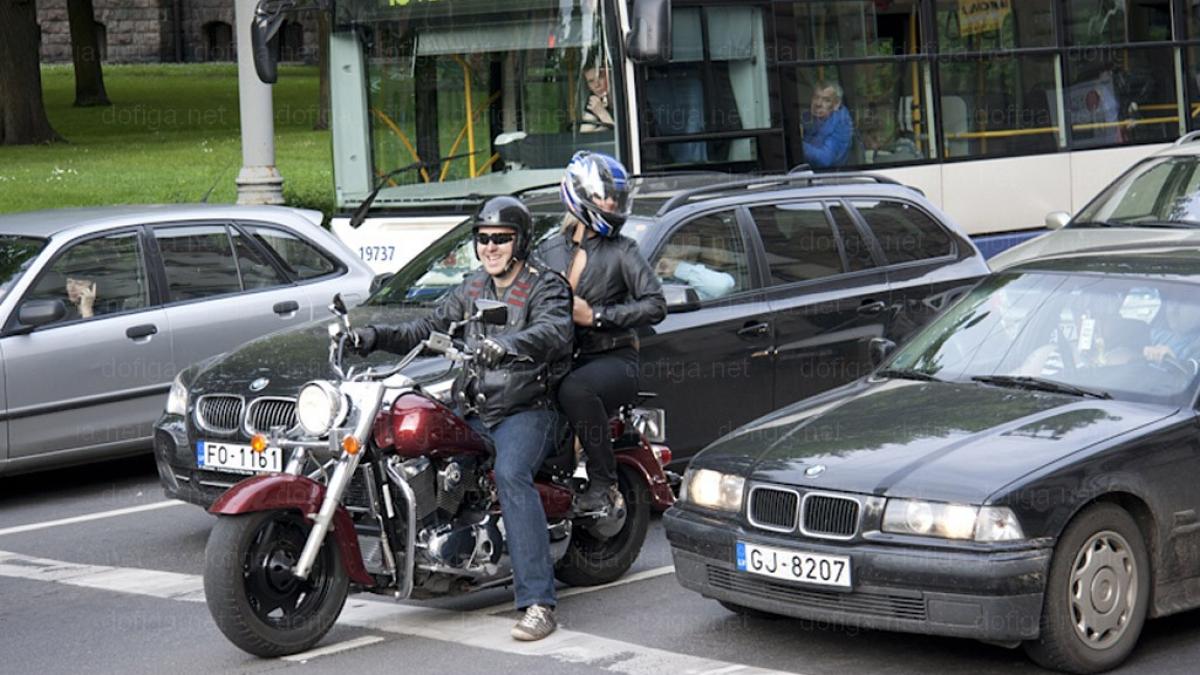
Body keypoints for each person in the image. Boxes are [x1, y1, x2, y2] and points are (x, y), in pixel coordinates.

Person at [352, 196, 573, 642]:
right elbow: (424, 329)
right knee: (396, 440)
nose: (490, 247)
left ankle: (538, 603)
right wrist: (372, 335)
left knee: (511, 475)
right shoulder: (472, 287)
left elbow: (555, 331)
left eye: (501, 239)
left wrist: (511, 344)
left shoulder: (544, 286)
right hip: (474, 407)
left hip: (528, 409)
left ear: (521, 242)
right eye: (483, 238)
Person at [535, 151, 667, 512]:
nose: (610, 202)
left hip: (614, 357)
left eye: (615, 196)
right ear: (579, 194)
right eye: (602, 195)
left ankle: (604, 481)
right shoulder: (548, 249)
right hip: (562, 358)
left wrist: (595, 315)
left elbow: (656, 305)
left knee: (574, 389)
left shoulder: (624, 250)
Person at [654, 233, 736, 300]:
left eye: (693, 242)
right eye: (678, 243)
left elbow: (723, 285)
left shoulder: (701, 279)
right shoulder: (651, 277)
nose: (687, 248)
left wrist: (677, 267)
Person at [1144, 286, 1200, 372]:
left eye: (1183, 304)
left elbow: (1193, 372)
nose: (1173, 310)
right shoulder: (1158, 335)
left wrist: (1174, 361)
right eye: (1171, 302)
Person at [801, 81, 854, 169]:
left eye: (826, 100)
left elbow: (825, 159)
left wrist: (797, 144)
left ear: (836, 104)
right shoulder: (811, 117)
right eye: (816, 97)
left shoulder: (842, 124)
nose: (818, 104)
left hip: (833, 177)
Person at [581, 65, 614, 132]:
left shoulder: (628, 96)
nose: (596, 85)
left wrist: (602, 114)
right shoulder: (595, 100)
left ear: (610, 75)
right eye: (591, 81)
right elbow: (585, 136)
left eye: (600, 77)